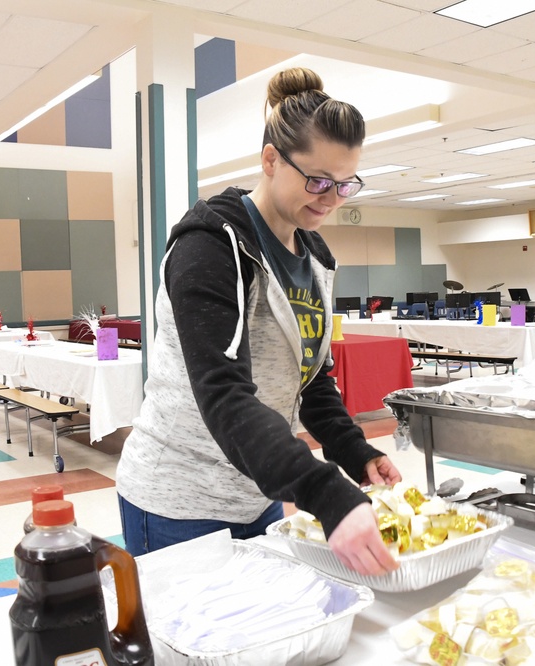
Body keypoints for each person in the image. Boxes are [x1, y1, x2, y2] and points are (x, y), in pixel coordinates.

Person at [115, 67, 402, 576]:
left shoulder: (314, 257)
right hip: (180, 500)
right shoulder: (208, 247)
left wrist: (353, 451)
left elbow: (311, 383)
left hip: (260, 490)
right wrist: (323, 491)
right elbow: (224, 395)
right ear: (271, 159)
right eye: (317, 180)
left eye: (344, 184)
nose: (331, 199)